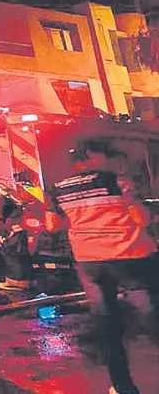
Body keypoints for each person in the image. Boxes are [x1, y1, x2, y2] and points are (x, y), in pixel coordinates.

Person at [45, 139, 159, 394]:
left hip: (91, 261)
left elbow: (53, 225)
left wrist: (82, 219)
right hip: (132, 256)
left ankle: (122, 385)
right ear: (94, 156)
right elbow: (140, 218)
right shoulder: (117, 180)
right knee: (152, 316)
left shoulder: (56, 188)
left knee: (107, 325)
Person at [0, 183, 32, 294]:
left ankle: (17, 283)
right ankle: (20, 281)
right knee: (18, 255)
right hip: (18, 231)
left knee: (12, 255)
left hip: (13, 232)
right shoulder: (11, 198)